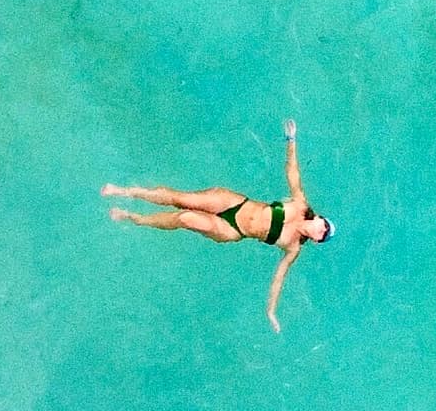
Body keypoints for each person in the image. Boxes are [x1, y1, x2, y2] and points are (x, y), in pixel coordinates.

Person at [104, 120, 333, 331]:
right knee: (181, 199)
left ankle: (133, 217)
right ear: (318, 218)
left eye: (323, 236)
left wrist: (271, 311)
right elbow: (293, 173)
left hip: (233, 230)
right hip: (235, 203)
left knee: (185, 218)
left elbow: (279, 277)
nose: (321, 231)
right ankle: (125, 191)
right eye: (324, 226)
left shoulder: (293, 247)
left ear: (316, 240)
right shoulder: (300, 204)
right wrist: (291, 140)